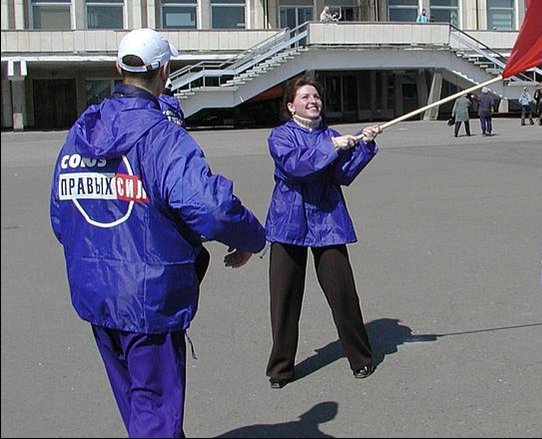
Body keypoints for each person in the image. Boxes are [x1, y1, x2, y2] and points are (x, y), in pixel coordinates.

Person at [50, 28, 266, 438]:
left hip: (96, 291)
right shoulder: (163, 138)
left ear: (118, 68)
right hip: (148, 297)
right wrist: (251, 238)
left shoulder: (80, 133)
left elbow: (61, 217)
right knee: (155, 413)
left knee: (138, 406)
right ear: (164, 71)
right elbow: (211, 208)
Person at [265, 77, 382, 389]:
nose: (313, 101)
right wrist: (331, 147)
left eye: (315, 96)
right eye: (305, 96)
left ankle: (360, 357)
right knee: (285, 298)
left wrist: (364, 144)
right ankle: (281, 368)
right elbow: (296, 167)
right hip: (288, 221)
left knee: (343, 293)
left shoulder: (331, 134)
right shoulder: (280, 136)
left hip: (328, 219)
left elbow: (343, 175)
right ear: (291, 106)